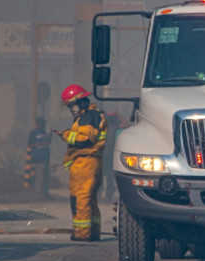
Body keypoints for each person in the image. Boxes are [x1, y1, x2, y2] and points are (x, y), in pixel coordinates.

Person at [53, 84, 107, 242]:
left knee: (80, 199)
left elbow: (84, 140)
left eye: (71, 105)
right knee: (89, 199)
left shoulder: (88, 116)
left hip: (85, 162)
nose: (71, 109)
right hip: (90, 161)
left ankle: (82, 233)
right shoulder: (91, 115)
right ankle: (93, 232)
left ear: (80, 102)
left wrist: (65, 134)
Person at [102, 111, 129, 201]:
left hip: (107, 154)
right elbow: (125, 124)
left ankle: (108, 193)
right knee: (105, 174)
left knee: (107, 174)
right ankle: (106, 193)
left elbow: (125, 125)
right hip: (106, 153)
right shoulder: (114, 124)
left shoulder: (112, 124)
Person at [26, 117, 51, 197]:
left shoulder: (45, 132)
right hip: (38, 157)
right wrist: (42, 144)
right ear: (37, 124)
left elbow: (48, 142)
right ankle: (38, 192)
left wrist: (50, 135)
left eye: (43, 124)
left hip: (45, 157)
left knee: (46, 176)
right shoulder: (33, 133)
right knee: (39, 176)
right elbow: (30, 144)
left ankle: (45, 192)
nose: (43, 125)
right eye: (41, 124)